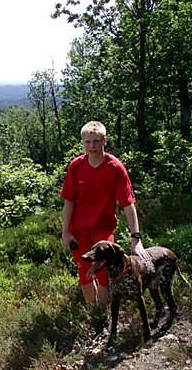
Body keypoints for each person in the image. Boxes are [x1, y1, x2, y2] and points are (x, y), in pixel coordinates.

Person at [61, 121, 150, 306]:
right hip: (79, 229)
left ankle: (105, 316)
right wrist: (65, 232)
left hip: (104, 227)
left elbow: (128, 203)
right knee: (85, 273)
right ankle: (96, 316)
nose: (91, 146)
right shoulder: (76, 167)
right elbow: (69, 200)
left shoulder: (115, 168)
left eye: (96, 141)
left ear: (104, 141)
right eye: (87, 142)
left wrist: (136, 238)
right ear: (83, 143)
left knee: (103, 273)